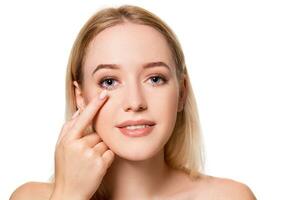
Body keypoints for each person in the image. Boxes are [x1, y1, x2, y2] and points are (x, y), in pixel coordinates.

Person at [9, 4, 256, 200]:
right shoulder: (32, 197)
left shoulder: (230, 197)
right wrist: (70, 195)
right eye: (109, 82)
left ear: (181, 93)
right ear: (80, 98)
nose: (135, 102)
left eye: (155, 79)